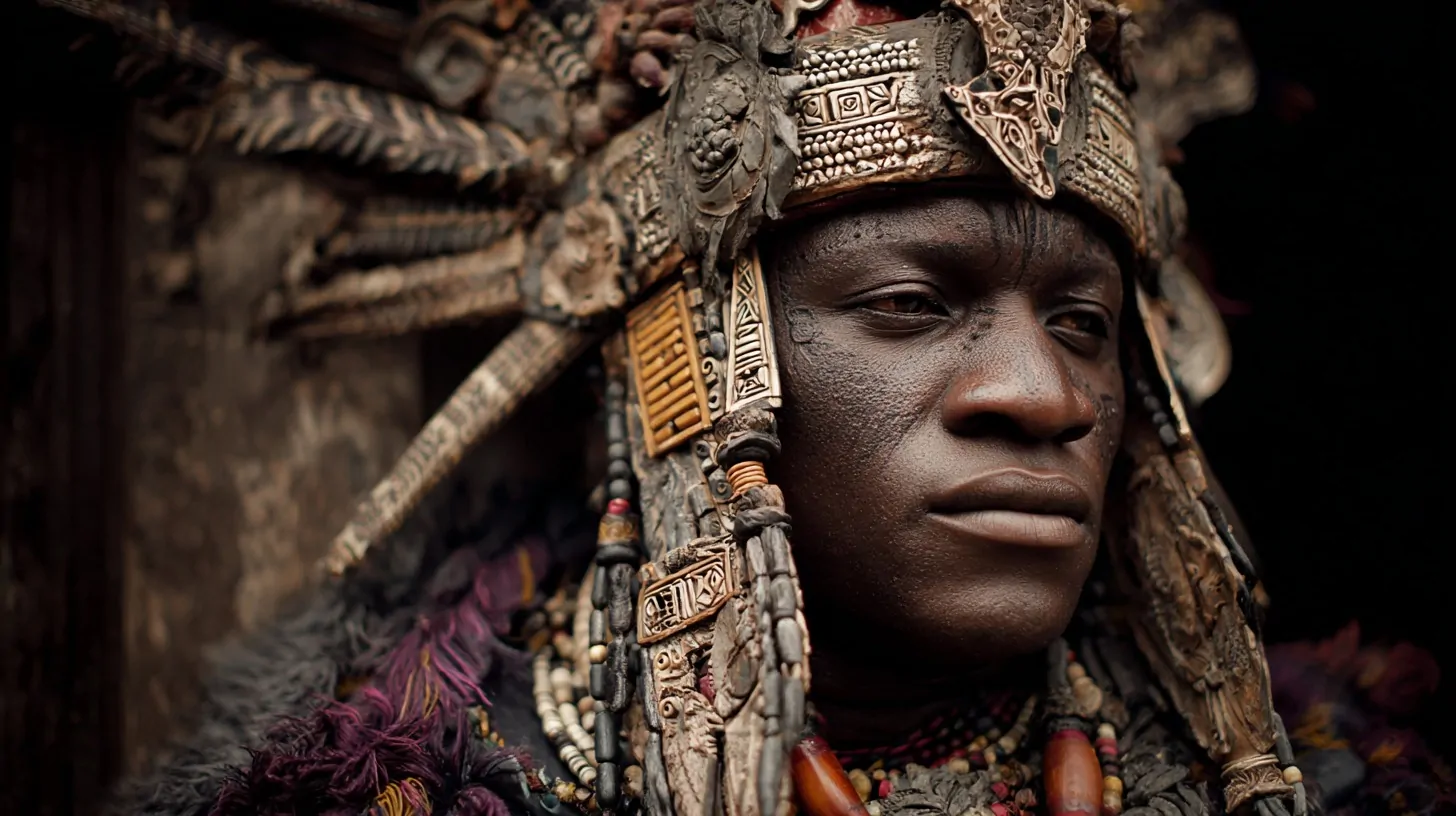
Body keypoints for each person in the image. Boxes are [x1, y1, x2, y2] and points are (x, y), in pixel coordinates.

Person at [36, 0, 1448, 815]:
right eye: (909, 304)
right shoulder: (428, 788)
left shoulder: (1326, 784)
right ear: (688, 365)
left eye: (1083, 325)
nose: (1044, 395)